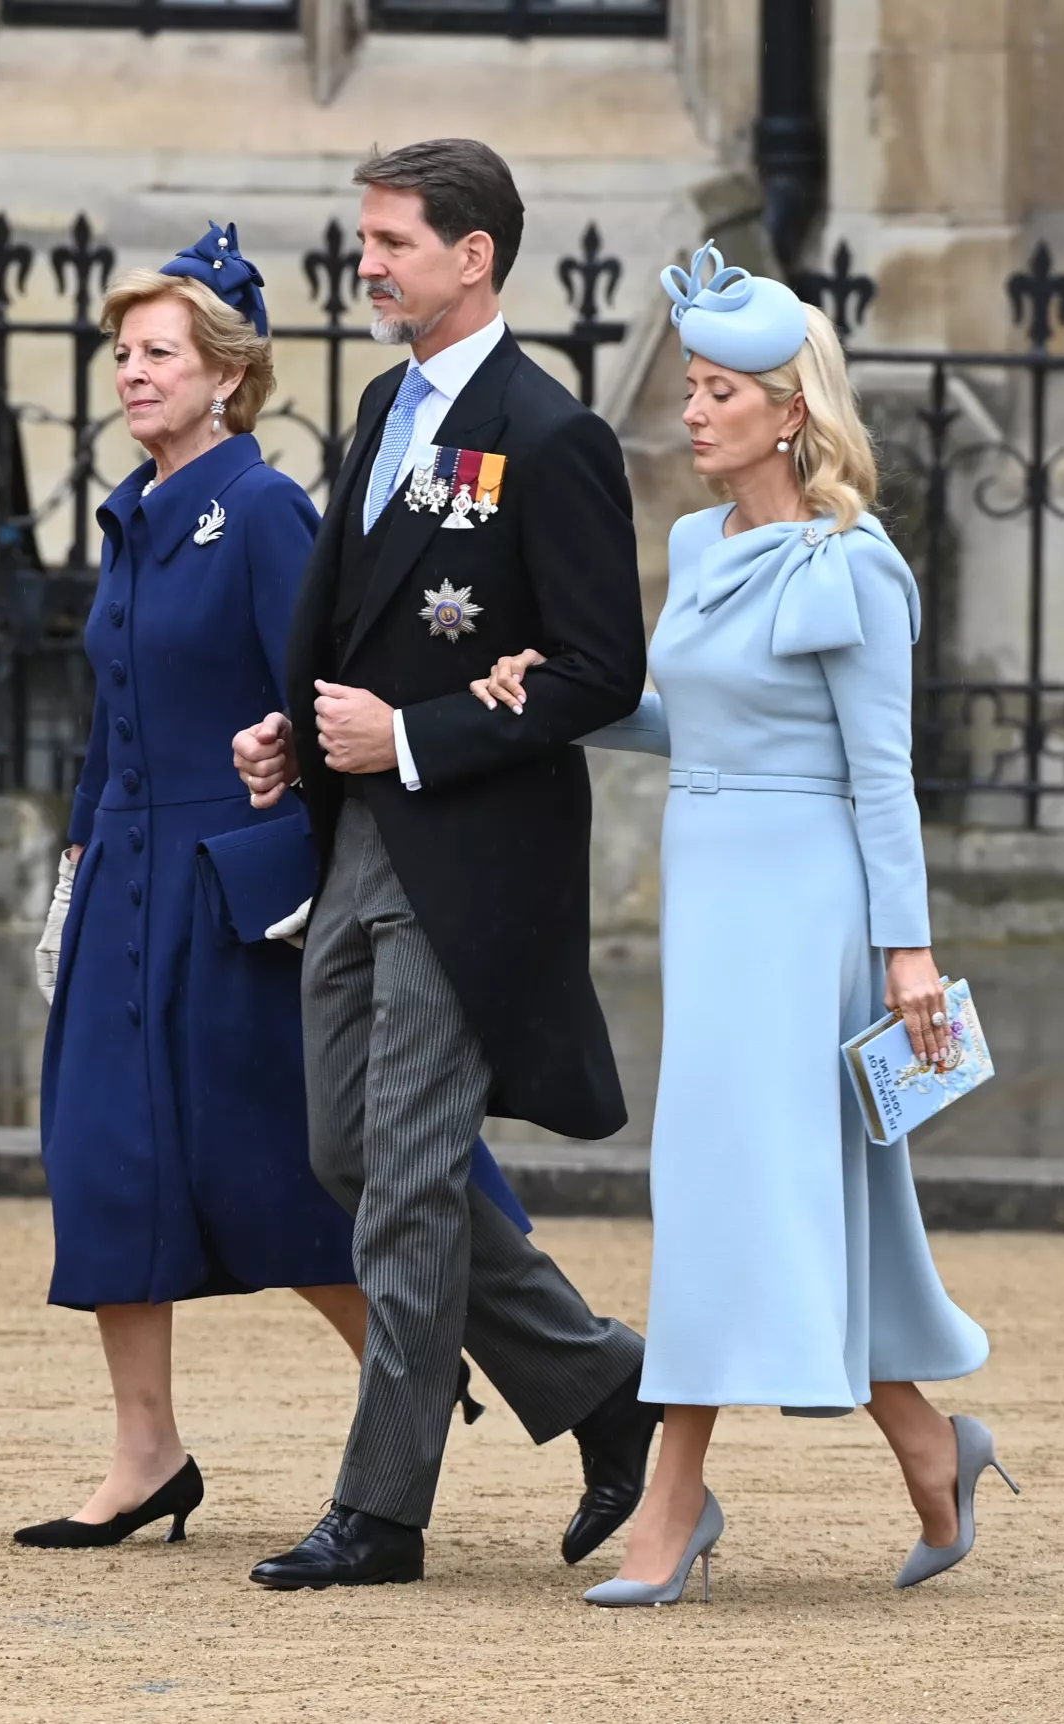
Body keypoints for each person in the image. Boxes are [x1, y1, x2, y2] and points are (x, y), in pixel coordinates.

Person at [473, 242, 1014, 1608]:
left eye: (719, 390)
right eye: (693, 387)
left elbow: (883, 776)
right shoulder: (700, 543)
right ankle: (929, 1442)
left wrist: (909, 952)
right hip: (713, 885)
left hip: (809, 899)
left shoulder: (855, 568)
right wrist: (563, 691)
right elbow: (682, 718)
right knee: (780, 1190)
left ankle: (671, 1498)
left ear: (791, 410)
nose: (692, 410)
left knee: (727, 1189)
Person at [19, 221, 525, 1551]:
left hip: (236, 894)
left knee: (283, 1174)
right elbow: (108, 723)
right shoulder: (132, 512)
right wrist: (72, 879)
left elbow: (317, 702)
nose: (131, 374)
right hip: (122, 873)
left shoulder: (257, 509)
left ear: (226, 377)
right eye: (121, 353)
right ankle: (146, 1455)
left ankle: (412, 1374)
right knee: (104, 1162)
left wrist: (303, 862)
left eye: (158, 354)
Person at [232, 138, 661, 1592]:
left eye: (393, 241)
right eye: (367, 239)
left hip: (474, 855)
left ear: (473, 255)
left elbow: (603, 668)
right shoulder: (381, 403)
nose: (368, 263)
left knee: (408, 1177)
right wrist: (297, 733)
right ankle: (612, 1391)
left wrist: (409, 737)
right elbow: (357, 614)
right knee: (346, 1153)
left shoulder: (553, 435)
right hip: (357, 835)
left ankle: (382, 1509)